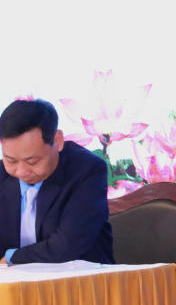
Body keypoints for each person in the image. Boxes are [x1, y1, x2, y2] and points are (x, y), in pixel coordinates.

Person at [0, 98, 114, 264]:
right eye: (11, 160)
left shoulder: (87, 170)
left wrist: (11, 258)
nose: (21, 171)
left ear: (58, 141)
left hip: (79, 276)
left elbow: (67, 246)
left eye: (32, 161)